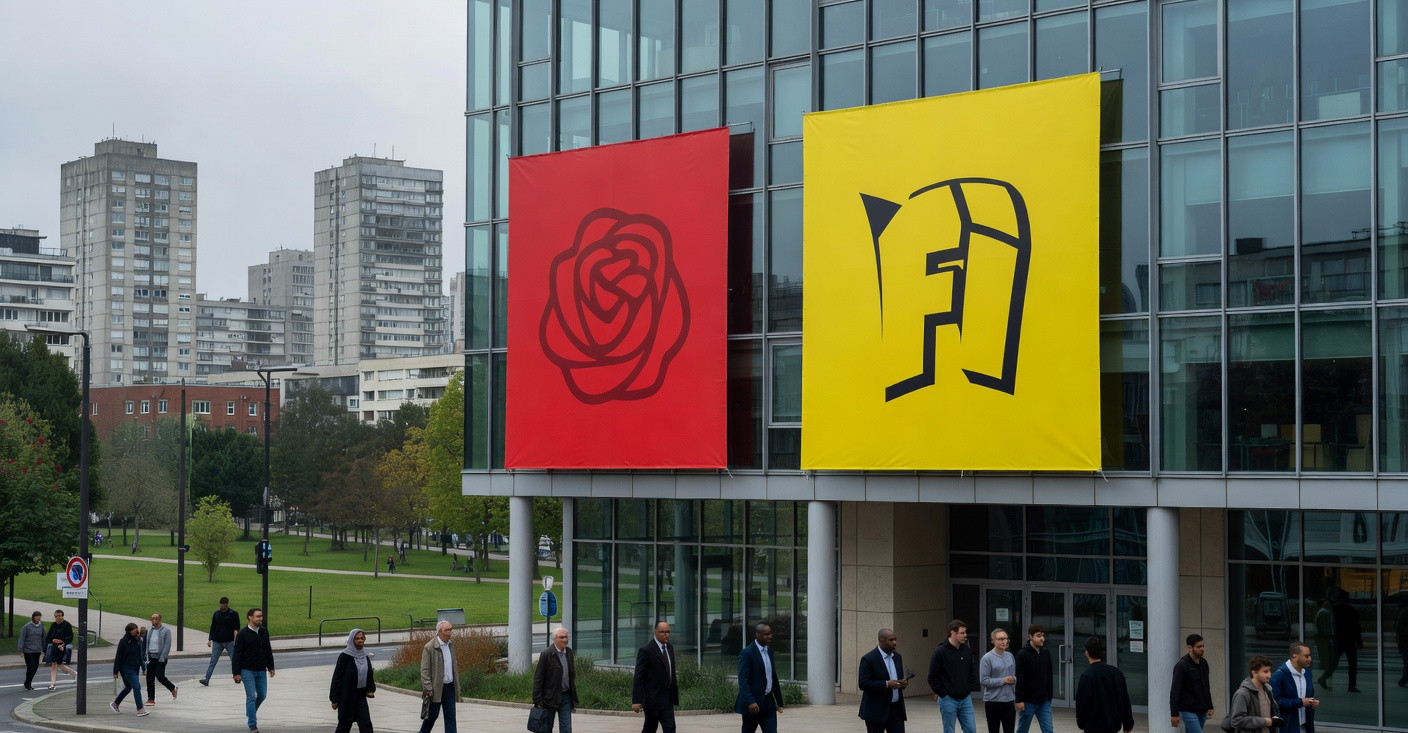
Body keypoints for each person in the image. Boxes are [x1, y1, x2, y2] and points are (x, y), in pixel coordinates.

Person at [928, 619, 978, 733]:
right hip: (948, 699)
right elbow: (932, 677)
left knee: (971, 729)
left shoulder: (966, 650)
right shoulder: (940, 651)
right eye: (962, 633)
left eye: (965, 632)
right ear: (952, 632)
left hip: (965, 699)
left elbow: (971, 672)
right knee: (949, 730)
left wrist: (968, 688)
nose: (965, 635)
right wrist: (943, 694)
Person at [1074, 637, 1133, 733]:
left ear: (1087, 652)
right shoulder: (1116, 672)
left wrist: (1081, 723)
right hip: (1113, 726)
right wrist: (1128, 724)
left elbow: (1082, 704)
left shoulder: (1087, 676)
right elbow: (1125, 700)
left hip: (1093, 727)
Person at [233, 607, 276, 733]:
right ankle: (253, 724)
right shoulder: (242, 634)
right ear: (250, 618)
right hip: (247, 670)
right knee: (251, 696)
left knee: (262, 695)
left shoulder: (263, 632)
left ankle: (250, 711)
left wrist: (271, 667)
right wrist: (236, 673)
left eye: (261, 616)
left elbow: (268, 649)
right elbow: (237, 654)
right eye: (257, 616)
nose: (260, 619)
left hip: (261, 669)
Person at [736, 622, 785, 733]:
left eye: (770, 633)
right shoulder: (747, 653)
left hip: (768, 702)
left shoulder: (769, 651)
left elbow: (773, 677)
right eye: (766, 634)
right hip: (753, 704)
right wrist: (750, 701)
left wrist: (779, 702)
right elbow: (743, 681)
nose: (770, 636)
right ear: (757, 635)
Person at [632, 620, 679, 733]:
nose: (666, 635)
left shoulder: (670, 648)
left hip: (667, 700)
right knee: (650, 728)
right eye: (662, 632)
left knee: (670, 728)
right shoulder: (646, 650)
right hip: (652, 700)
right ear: (655, 632)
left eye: (668, 632)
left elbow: (670, 672)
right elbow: (638, 677)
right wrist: (637, 700)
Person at [859, 628, 909, 733]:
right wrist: (886, 684)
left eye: (895, 639)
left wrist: (902, 683)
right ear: (881, 640)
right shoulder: (869, 659)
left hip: (896, 710)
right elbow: (863, 683)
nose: (894, 642)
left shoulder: (897, 657)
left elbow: (898, 678)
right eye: (891, 640)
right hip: (876, 711)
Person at [532, 627, 578, 733]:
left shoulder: (569, 653)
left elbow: (571, 675)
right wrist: (537, 700)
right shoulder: (547, 655)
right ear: (555, 639)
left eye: (566, 637)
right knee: (546, 728)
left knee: (566, 728)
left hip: (566, 696)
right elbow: (538, 678)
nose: (565, 640)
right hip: (549, 698)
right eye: (562, 637)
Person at [330, 628, 376, 733]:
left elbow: (369, 673)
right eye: (357, 639)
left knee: (366, 724)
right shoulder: (345, 656)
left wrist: (370, 689)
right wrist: (334, 699)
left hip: (360, 696)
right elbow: (337, 678)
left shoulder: (364, 655)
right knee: (344, 725)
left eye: (362, 638)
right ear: (352, 640)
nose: (360, 641)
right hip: (346, 696)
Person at [419, 620, 461, 733]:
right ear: (439, 632)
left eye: (451, 629)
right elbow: (424, 670)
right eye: (447, 630)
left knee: (451, 717)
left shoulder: (451, 645)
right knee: (431, 718)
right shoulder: (429, 647)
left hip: (449, 688)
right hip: (435, 689)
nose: (450, 632)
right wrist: (428, 688)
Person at [1270, 642, 1319, 733]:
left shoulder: (1307, 674)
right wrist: (1300, 702)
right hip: (1288, 728)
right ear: (1294, 656)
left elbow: (1308, 696)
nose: (1310, 659)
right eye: (1306, 656)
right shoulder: (1279, 675)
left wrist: (1311, 703)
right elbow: (1275, 702)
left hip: (1305, 727)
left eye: (1310, 656)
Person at [1014, 624, 1054, 733]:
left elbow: (1049, 675)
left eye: (1043, 635)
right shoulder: (1022, 654)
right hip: (1028, 702)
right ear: (1030, 636)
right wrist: (1019, 700)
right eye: (1038, 635)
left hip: (1044, 701)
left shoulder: (1046, 653)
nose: (1042, 638)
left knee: (1049, 730)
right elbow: (1020, 678)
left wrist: (1049, 695)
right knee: (1022, 730)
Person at [1170, 634, 1214, 733]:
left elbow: (1206, 686)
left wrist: (1210, 705)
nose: (1202, 649)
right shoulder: (1182, 665)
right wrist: (1174, 714)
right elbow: (1175, 691)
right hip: (1188, 710)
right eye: (1199, 647)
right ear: (1189, 648)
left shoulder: (1204, 663)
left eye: (1203, 646)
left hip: (1202, 710)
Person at [1229, 655, 1280, 733]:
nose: (1269, 675)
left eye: (1269, 671)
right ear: (1254, 673)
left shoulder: (1268, 690)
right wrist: (1264, 721)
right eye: (1265, 672)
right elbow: (1236, 720)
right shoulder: (1243, 693)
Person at [1324, 590, 1362, 692]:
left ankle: (1324, 677)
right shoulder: (1351, 609)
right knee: (1352, 664)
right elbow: (1356, 626)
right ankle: (1352, 685)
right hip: (1350, 639)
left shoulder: (1335, 609)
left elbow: (1331, 624)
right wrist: (1359, 641)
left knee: (1334, 661)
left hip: (1339, 639)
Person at [980, 628, 1016, 733]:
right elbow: (983, 680)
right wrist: (1003, 681)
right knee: (993, 730)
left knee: (1009, 730)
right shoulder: (987, 658)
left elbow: (1015, 675)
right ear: (993, 641)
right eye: (1000, 639)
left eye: (1005, 639)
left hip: (1009, 701)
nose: (1004, 641)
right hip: (993, 702)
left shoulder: (1010, 656)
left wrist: (1014, 679)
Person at [110, 622, 150, 717]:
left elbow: (140, 656)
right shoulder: (124, 641)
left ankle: (115, 704)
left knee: (128, 687)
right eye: (133, 629)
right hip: (126, 668)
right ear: (129, 631)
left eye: (136, 628)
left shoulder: (138, 641)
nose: (136, 630)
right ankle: (140, 709)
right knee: (136, 686)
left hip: (135, 668)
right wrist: (115, 672)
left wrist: (144, 668)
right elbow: (118, 657)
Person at [202, 596, 241, 686]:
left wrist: (236, 638)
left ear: (227, 604)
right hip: (217, 641)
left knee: (234, 660)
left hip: (229, 641)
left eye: (224, 604)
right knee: (213, 661)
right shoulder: (216, 614)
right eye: (221, 604)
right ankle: (206, 679)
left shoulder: (233, 613)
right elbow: (213, 627)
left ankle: (237, 677)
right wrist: (210, 639)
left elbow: (237, 627)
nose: (222, 605)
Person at [144, 612, 177, 705]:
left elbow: (167, 644)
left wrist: (163, 656)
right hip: (150, 657)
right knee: (149, 678)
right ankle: (151, 698)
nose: (153, 621)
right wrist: (146, 655)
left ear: (159, 620)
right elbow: (147, 643)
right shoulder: (149, 630)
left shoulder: (165, 630)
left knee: (160, 676)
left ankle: (172, 688)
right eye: (152, 619)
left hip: (160, 657)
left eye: (155, 619)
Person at [45, 608, 75, 690]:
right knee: (54, 664)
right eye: (55, 616)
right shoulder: (53, 625)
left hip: (62, 647)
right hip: (54, 646)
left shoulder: (67, 625)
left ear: (62, 616)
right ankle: (53, 683)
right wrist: (52, 640)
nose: (57, 618)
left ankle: (73, 673)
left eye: (59, 616)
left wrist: (63, 644)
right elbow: (48, 636)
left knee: (59, 664)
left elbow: (70, 637)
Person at [19, 611, 45, 690]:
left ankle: (28, 681)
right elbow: (22, 638)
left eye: (39, 616)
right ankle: (28, 683)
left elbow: (43, 637)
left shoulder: (41, 626)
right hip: (28, 650)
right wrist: (20, 650)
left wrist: (44, 649)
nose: (38, 618)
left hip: (37, 650)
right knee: (30, 667)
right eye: (37, 616)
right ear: (33, 617)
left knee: (35, 667)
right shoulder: (27, 626)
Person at [1312, 598, 1335, 689]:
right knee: (1329, 662)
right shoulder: (1325, 612)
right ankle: (1323, 679)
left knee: (1328, 662)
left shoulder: (1323, 612)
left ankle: (1323, 679)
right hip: (1324, 639)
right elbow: (1325, 628)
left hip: (1323, 639)